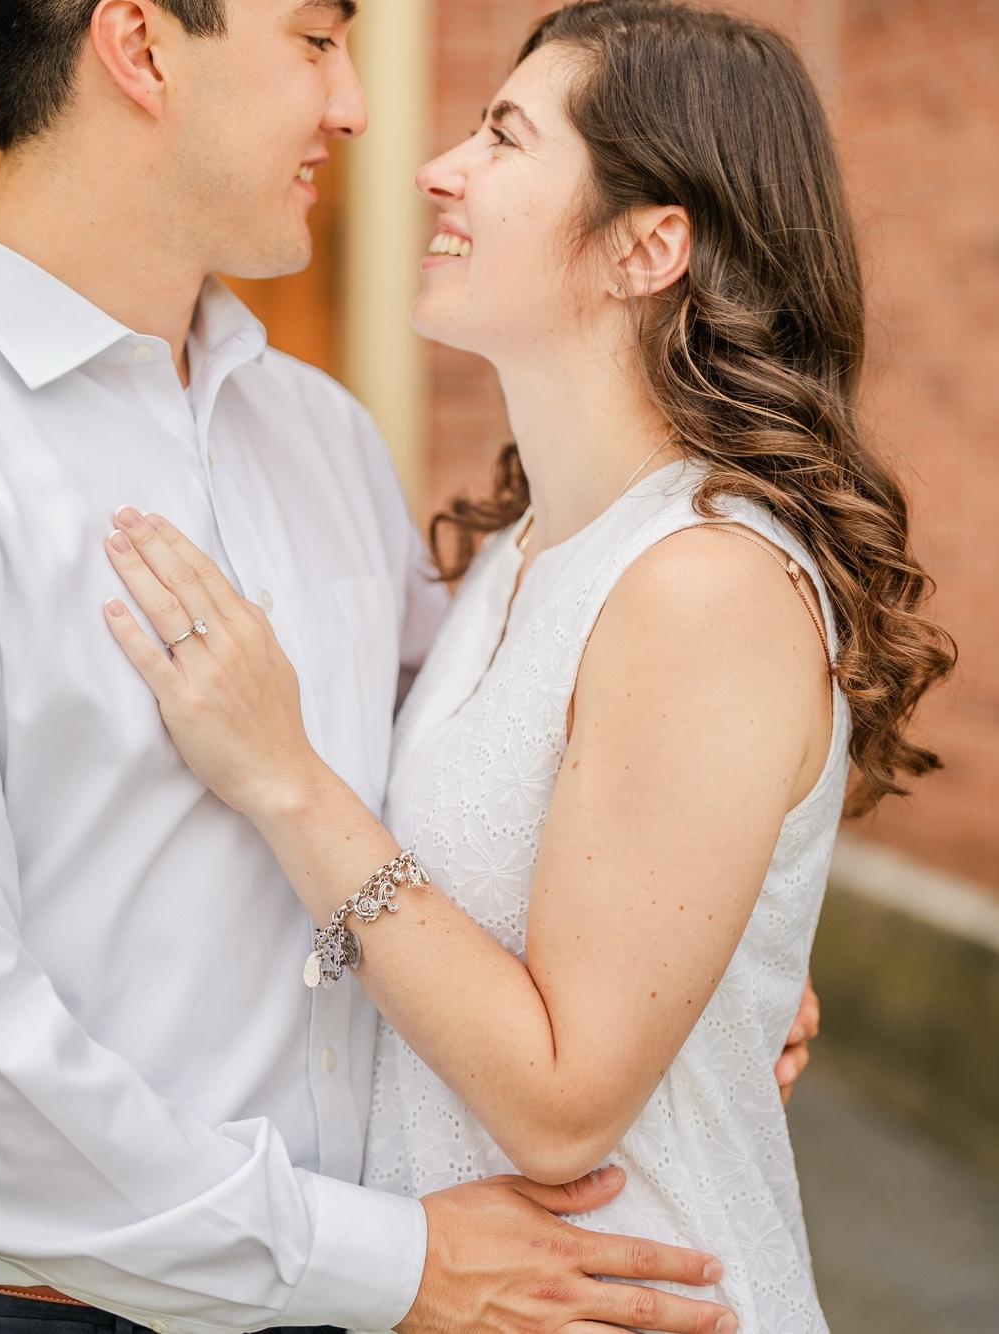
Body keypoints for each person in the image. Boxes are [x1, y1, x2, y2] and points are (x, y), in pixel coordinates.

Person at [0, 2, 808, 1332]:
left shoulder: (317, 432)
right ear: (141, 46)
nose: (358, 109)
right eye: (317, 42)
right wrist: (392, 1263)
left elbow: (523, 771)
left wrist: (701, 947)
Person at [100, 3, 957, 1332]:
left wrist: (282, 775)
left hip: (631, 1293)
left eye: (502, 136)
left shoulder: (705, 584)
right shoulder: (521, 548)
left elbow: (562, 1103)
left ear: (645, 244)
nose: (437, 167)